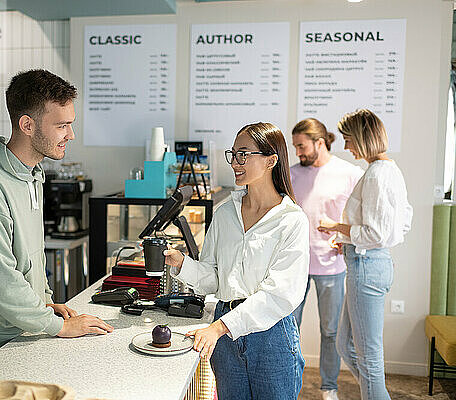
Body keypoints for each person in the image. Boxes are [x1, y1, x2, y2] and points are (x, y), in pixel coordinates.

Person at [0, 70, 113, 377]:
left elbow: (32, 255)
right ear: (27, 125)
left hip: (16, 331)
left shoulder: (31, 175)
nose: (70, 135)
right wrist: (57, 326)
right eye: (62, 125)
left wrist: (45, 304)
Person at [164, 122, 309, 400]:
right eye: (233, 154)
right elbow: (216, 276)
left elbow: (280, 295)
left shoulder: (291, 220)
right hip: (226, 337)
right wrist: (182, 264)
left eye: (244, 154)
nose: (235, 163)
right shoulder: (224, 213)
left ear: (271, 160)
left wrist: (219, 328)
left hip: (271, 337)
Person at [318, 109, 412, 400]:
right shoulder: (389, 170)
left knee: (369, 358)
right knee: (346, 345)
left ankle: (375, 393)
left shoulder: (376, 175)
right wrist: (346, 239)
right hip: (370, 262)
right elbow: (402, 221)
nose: (346, 147)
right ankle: (377, 393)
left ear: (361, 137)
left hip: (366, 267)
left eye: (348, 139)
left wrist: (336, 226)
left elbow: (374, 233)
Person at [290, 118, 363, 400]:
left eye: (301, 146)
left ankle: (328, 388)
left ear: (319, 142)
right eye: (295, 146)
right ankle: (290, 383)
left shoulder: (349, 173)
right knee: (289, 329)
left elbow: (359, 216)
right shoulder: (293, 174)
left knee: (330, 331)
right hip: (295, 266)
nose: (298, 152)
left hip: (332, 265)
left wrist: (343, 237)